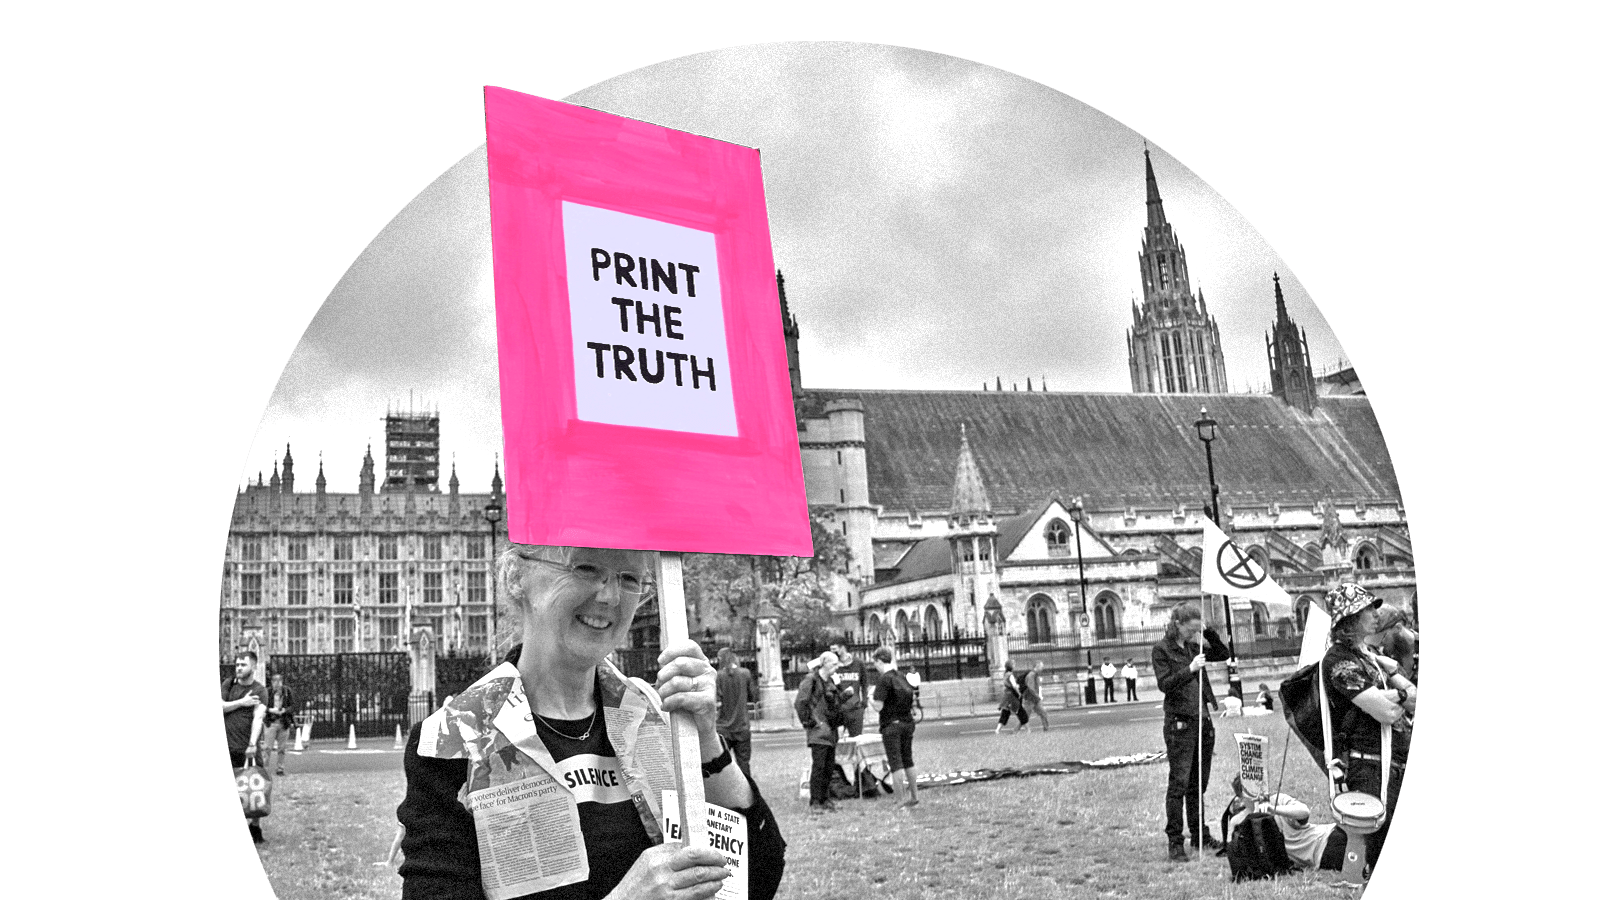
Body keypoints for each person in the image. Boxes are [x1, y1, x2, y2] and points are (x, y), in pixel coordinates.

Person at [397, 544, 786, 900]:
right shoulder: (453, 738)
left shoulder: (656, 713)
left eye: (629, 578)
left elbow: (756, 879)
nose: (610, 596)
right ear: (516, 576)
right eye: (585, 567)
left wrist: (704, 738)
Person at [1322, 582, 1415, 875]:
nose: (1376, 615)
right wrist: (1399, 692)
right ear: (1350, 619)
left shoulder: (1371, 658)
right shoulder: (1338, 660)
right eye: (1367, 609)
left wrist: (1396, 690)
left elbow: (1415, 700)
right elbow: (1387, 710)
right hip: (1371, 768)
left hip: (1394, 764)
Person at [1150, 602, 1230, 861]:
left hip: (1203, 721)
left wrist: (1208, 633)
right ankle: (1175, 840)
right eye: (1190, 629)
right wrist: (1190, 669)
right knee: (1179, 784)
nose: (1193, 634)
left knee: (1199, 784)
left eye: (1197, 629)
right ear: (1177, 625)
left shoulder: (1196, 646)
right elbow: (1165, 684)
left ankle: (1200, 835)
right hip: (1180, 723)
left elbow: (1222, 653)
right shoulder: (1161, 650)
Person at [1220, 776, 1347, 871]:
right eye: (1250, 791)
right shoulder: (1242, 823)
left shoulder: (1276, 800)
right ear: (1241, 797)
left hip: (1328, 836)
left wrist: (1274, 809)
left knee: (1365, 843)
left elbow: (1304, 812)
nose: (1257, 793)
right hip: (1321, 853)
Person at [221, 650, 269, 844]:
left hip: (247, 746)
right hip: (227, 743)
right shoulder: (228, 684)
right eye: (237, 665)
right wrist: (243, 702)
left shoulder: (260, 690)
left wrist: (252, 743)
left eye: (243, 665)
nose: (238, 668)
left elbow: (258, 717)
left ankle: (255, 827)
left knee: (255, 785)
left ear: (254, 667)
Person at [869, 646, 919, 809]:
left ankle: (900, 800)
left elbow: (878, 707)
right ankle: (914, 796)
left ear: (878, 661)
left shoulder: (884, 679)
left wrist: (870, 697)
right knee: (908, 760)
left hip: (891, 725)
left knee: (896, 763)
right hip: (907, 722)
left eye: (874, 663)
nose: (875, 667)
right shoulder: (901, 676)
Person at [794, 651, 842, 814]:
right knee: (819, 766)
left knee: (829, 766)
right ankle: (815, 800)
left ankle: (825, 798)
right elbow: (801, 703)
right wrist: (809, 722)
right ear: (824, 663)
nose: (837, 667)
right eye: (834, 664)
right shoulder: (811, 680)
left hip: (830, 730)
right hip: (818, 731)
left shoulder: (831, 682)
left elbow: (835, 703)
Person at [714, 648, 759, 778]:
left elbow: (716, 700)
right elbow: (753, 696)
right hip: (742, 725)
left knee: (723, 766)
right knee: (744, 764)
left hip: (723, 728)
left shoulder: (718, 676)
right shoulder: (745, 674)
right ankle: (748, 794)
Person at [259, 672, 296, 777]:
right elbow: (261, 706)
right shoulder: (267, 692)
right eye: (274, 681)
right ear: (271, 682)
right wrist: (271, 710)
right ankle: (264, 769)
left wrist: (284, 710)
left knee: (282, 748)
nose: (277, 683)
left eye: (279, 681)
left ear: (282, 682)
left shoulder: (287, 692)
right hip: (271, 722)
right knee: (267, 748)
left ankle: (280, 768)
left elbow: (292, 706)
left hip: (283, 722)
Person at [829, 643, 869, 738]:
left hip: (855, 708)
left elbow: (864, 683)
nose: (832, 652)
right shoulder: (832, 665)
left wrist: (864, 702)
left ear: (842, 648)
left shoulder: (858, 663)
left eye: (834, 649)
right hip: (838, 709)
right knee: (836, 742)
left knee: (856, 740)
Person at [994, 659, 1029, 733]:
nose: (1015, 665)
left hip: (1007, 695)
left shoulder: (1005, 674)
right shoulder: (1010, 675)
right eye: (1013, 664)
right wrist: (1019, 693)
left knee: (1005, 713)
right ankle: (1027, 730)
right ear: (1011, 666)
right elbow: (1014, 686)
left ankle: (997, 730)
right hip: (1012, 696)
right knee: (1021, 711)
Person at [1022, 661, 1050, 731]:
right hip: (1030, 699)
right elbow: (1031, 688)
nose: (1042, 668)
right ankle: (1015, 731)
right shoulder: (1031, 675)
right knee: (1025, 717)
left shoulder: (1036, 675)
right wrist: (1037, 696)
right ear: (1037, 666)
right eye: (1041, 666)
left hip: (1035, 699)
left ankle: (1046, 729)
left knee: (1043, 713)